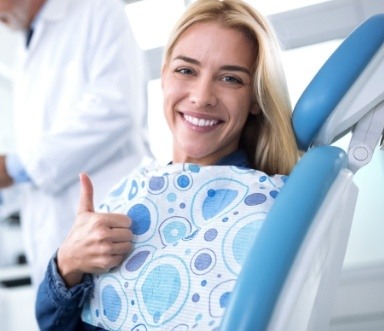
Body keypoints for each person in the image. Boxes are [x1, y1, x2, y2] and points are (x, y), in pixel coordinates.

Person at [36, 0, 300, 330]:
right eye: (186, 70)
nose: (202, 96)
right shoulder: (132, 190)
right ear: (164, 78)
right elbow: (51, 322)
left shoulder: (269, 209)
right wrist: (68, 262)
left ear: (256, 99)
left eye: (230, 78)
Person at [0, 0, 151, 286]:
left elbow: (116, 108)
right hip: (55, 250)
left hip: (111, 234)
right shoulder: (24, 52)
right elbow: (40, 167)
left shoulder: (98, 10)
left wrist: (13, 167)